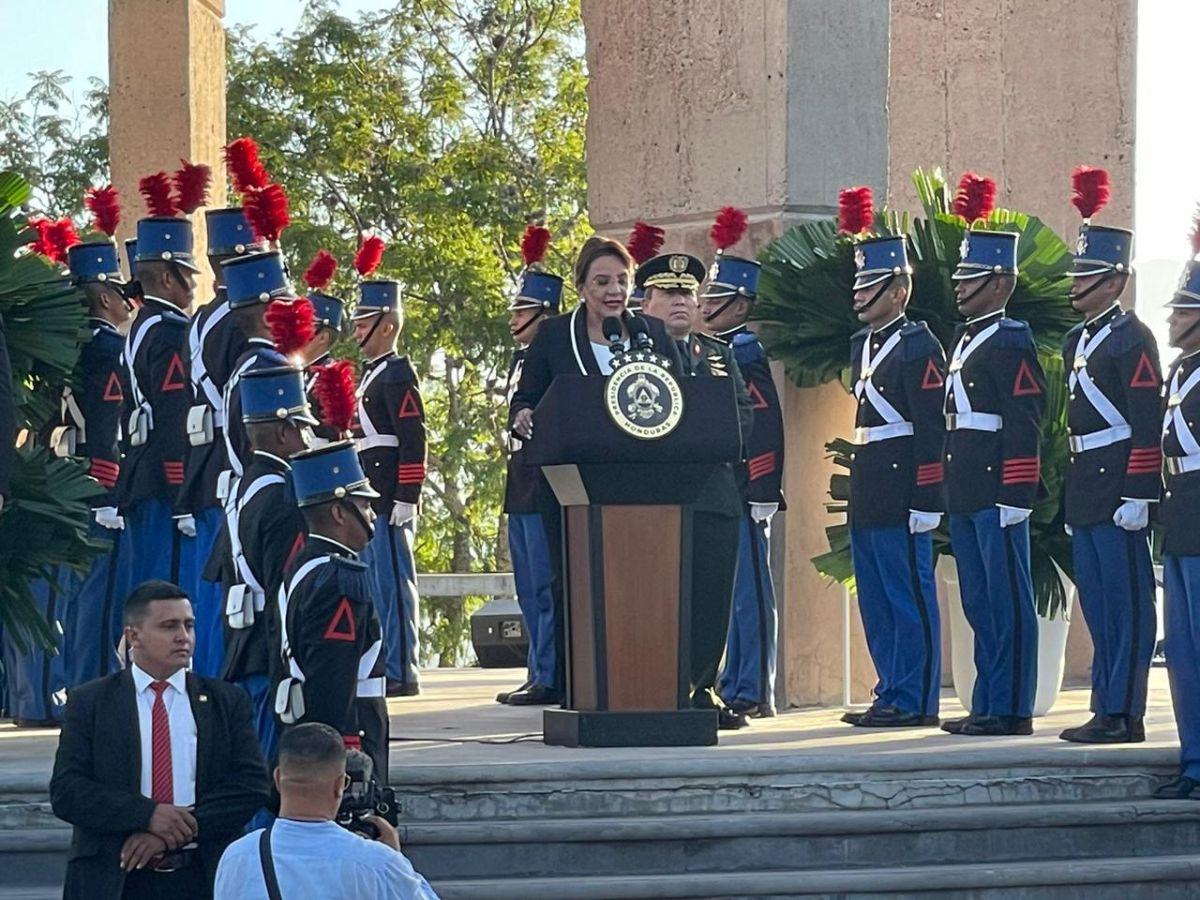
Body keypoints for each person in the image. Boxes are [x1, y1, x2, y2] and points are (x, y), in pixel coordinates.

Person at [509, 235, 683, 698]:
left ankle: (644, 679)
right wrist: (523, 415)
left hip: (641, 484)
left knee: (641, 586)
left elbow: (679, 400)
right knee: (569, 583)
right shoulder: (553, 336)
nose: (614, 290)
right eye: (603, 281)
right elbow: (526, 398)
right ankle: (571, 683)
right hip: (571, 485)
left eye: (623, 281)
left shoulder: (654, 334)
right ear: (582, 287)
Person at [49, 580, 269, 900]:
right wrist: (146, 815)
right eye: (169, 626)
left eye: (189, 625)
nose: (183, 636)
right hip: (117, 876)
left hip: (201, 874)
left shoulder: (225, 701)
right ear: (133, 636)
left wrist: (171, 833)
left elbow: (251, 785)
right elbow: (68, 791)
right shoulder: (91, 702)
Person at [1058, 191, 1160, 745]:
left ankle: (1125, 712)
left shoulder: (1132, 338)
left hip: (1119, 481)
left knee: (1126, 608)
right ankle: (1105, 705)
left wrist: (1139, 489)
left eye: (1088, 275)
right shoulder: (1079, 338)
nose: (1075, 285)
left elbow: (1146, 419)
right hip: (1088, 482)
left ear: (1116, 281)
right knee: (1098, 606)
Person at [640, 248, 752, 730]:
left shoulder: (722, 357)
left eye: (687, 292)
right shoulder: (635, 356)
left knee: (710, 600)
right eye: (668, 293)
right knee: (659, 598)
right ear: (646, 302)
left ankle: (702, 686)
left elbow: (744, 418)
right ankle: (653, 687)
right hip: (656, 499)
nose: (680, 302)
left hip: (714, 495)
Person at [941, 229, 1047, 737]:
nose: (960, 287)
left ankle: (1011, 707)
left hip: (996, 490)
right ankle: (987, 702)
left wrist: (1017, 492)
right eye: (959, 278)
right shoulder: (966, 337)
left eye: (972, 278)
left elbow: (1025, 419)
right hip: (965, 486)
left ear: (1001, 282)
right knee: (980, 601)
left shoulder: (1010, 340)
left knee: (1007, 600)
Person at [838, 230, 945, 728]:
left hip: (903, 480)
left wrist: (927, 495)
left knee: (908, 593)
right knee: (877, 595)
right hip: (870, 478)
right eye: (859, 285)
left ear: (899, 291)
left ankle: (915, 699)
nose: (859, 294)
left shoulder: (919, 345)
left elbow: (931, 427)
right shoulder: (863, 344)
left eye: (872, 285)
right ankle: (890, 689)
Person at [701, 220, 787, 720]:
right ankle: (735, 681)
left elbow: (765, 424)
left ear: (741, 303)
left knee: (752, 594)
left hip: (746, 487)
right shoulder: (715, 351)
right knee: (732, 596)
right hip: (724, 487)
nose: (707, 305)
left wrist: (764, 488)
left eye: (719, 297)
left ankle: (755, 686)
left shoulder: (745, 351)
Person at [176, 208, 265, 677]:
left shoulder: (203, 318)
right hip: (232, 464)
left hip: (206, 463)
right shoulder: (235, 323)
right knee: (231, 589)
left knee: (210, 589)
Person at [214, 723, 437, 900]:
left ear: (277, 779)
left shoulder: (237, 856)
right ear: (340, 784)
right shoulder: (376, 863)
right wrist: (397, 860)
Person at [276, 441, 390, 778]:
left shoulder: (306, 563)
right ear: (339, 513)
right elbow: (333, 677)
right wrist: (345, 755)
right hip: (349, 728)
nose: (371, 515)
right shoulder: (338, 582)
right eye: (364, 505)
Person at [221, 367, 315, 760]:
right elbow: (286, 588)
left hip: (243, 645)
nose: (307, 439)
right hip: (269, 651)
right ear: (283, 431)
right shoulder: (283, 497)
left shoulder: (243, 485)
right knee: (268, 769)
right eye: (302, 429)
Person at [60, 236, 137, 688]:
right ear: (105, 297)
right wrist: (107, 491)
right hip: (100, 486)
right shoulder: (108, 349)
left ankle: (79, 685)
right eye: (120, 293)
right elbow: (107, 423)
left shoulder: (76, 344)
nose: (128, 302)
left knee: (83, 598)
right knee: (101, 600)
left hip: (75, 478)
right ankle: (92, 689)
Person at [115, 210, 198, 591]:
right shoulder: (168, 333)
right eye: (187, 276)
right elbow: (173, 412)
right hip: (164, 481)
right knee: (167, 590)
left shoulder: (140, 327)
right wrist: (182, 489)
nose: (193, 287)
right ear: (167, 277)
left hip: (140, 472)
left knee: (147, 588)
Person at [497, 227, 563, 707]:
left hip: (542, 485)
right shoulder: (520, 360)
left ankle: (550, 672)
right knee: (526, 586)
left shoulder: (552, 357)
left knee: (543, 586)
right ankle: (536, 668)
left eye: (523, 310)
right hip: (519, 483)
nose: (514, 318)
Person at [352, 271, 426, 697]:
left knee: (395, 586)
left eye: (366, 324)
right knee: (378, 584)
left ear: (389, 325)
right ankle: (386, 662)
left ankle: (402, 667)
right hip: (372, 492)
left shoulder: (396, 374)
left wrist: (406, 495)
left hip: (389, 494)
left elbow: (413, 435)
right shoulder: (373, 374)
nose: (359, 332)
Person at [1154, 255, 1200, 799]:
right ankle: (1193, 761)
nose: (1171, 319)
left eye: (1184, 310)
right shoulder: (1181, 370)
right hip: (1180, 517)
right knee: (1184, 651)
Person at [297, 250, 350, 445]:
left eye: (305, 326)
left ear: (322, 337)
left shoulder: (330, 376)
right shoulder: (299, 372)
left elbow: (335, 437)